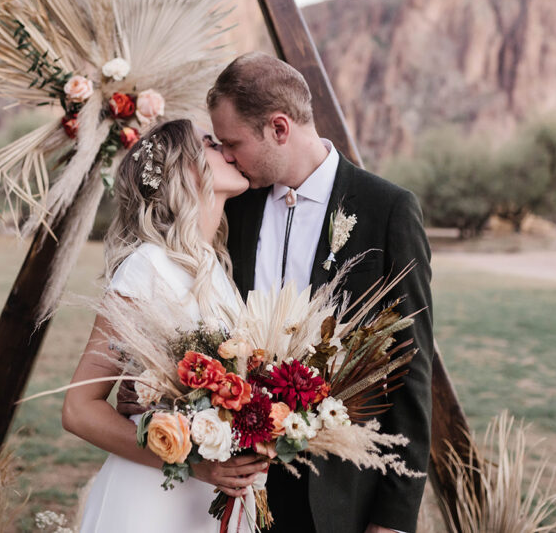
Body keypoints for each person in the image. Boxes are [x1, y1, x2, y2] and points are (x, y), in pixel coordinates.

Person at [207, 52, 434, 533]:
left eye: (233, 142)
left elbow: (410, 368)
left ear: (279, 128)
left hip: (337, 497)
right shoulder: (235, 206)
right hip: (236, 485)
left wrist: (394, 520)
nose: (226, 156)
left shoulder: (386, 209)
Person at [61, 119, 265, 532]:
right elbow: (79, 409)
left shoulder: (213, 268)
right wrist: (192, 465)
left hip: (213, 498)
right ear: (184, 170)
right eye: (209, 143)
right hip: (155, 496)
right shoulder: (147, 267)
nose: (226, 150)